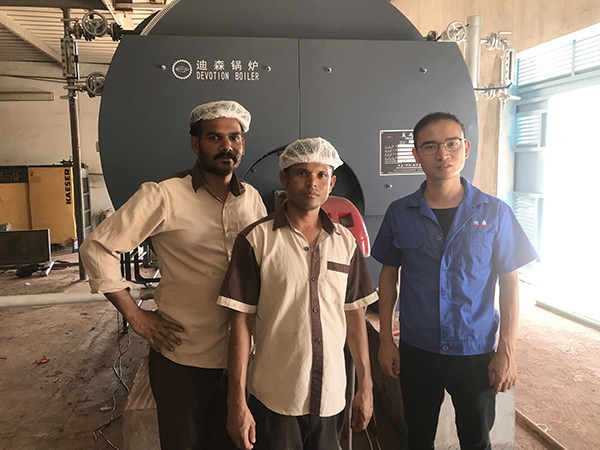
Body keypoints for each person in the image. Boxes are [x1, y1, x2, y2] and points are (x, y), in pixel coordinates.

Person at [80, 100, 267, 450]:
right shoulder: (164, 195)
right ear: (196, 143)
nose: (227, 146)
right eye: (215, 137)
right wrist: (136, 317)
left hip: (241, 358)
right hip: (184, 359)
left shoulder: (251, 199)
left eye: (235, 137)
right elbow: (97, 249)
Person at [372, 112, 538, 450]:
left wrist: (506, 351)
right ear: (416, 155)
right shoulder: (399, 213)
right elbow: (388, 276)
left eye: (451, 144)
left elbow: (509, 283)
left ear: (466, 148)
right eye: (430, 146)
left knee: (476, 440)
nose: (442, 154)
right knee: (418, 438)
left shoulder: (494, 212)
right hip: (418, 349)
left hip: (475, 349)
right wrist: (386, 340)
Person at [217, 137, 378, 450]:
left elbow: (354, 317)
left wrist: (366, 387)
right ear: (284, 179)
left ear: (331, 183)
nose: (312, 183)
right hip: (277, 397)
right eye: (302, 173)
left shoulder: (345, 243)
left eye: (321, 175)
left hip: (331, 396)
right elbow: (240, 325)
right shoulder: (256, 240)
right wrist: (237, 401)